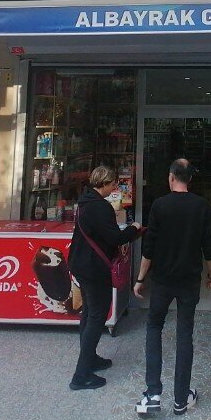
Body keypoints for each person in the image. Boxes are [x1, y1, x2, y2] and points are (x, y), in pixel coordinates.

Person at [133, 158, 211, 416]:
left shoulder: (159, 205)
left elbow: (149, 247)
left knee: (154, 327)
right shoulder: (201, 205)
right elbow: (208, 243)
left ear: (171, 177)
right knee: (184, 334)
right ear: (189, 179)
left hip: (162, 280)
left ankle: (152, 394)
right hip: (189, 281)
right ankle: (181, 399)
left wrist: (140, 278)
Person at [68, 165, 140, 390]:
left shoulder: (84, 202)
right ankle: (81, 375)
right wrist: (134, 229)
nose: (115, 188)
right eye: (113, 184)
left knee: (89, 312)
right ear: (105, 183)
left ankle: (90, 358)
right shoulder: (100, 207)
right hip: (94, 267)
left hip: (81, 263)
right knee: (97, 316)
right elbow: (114, 238)